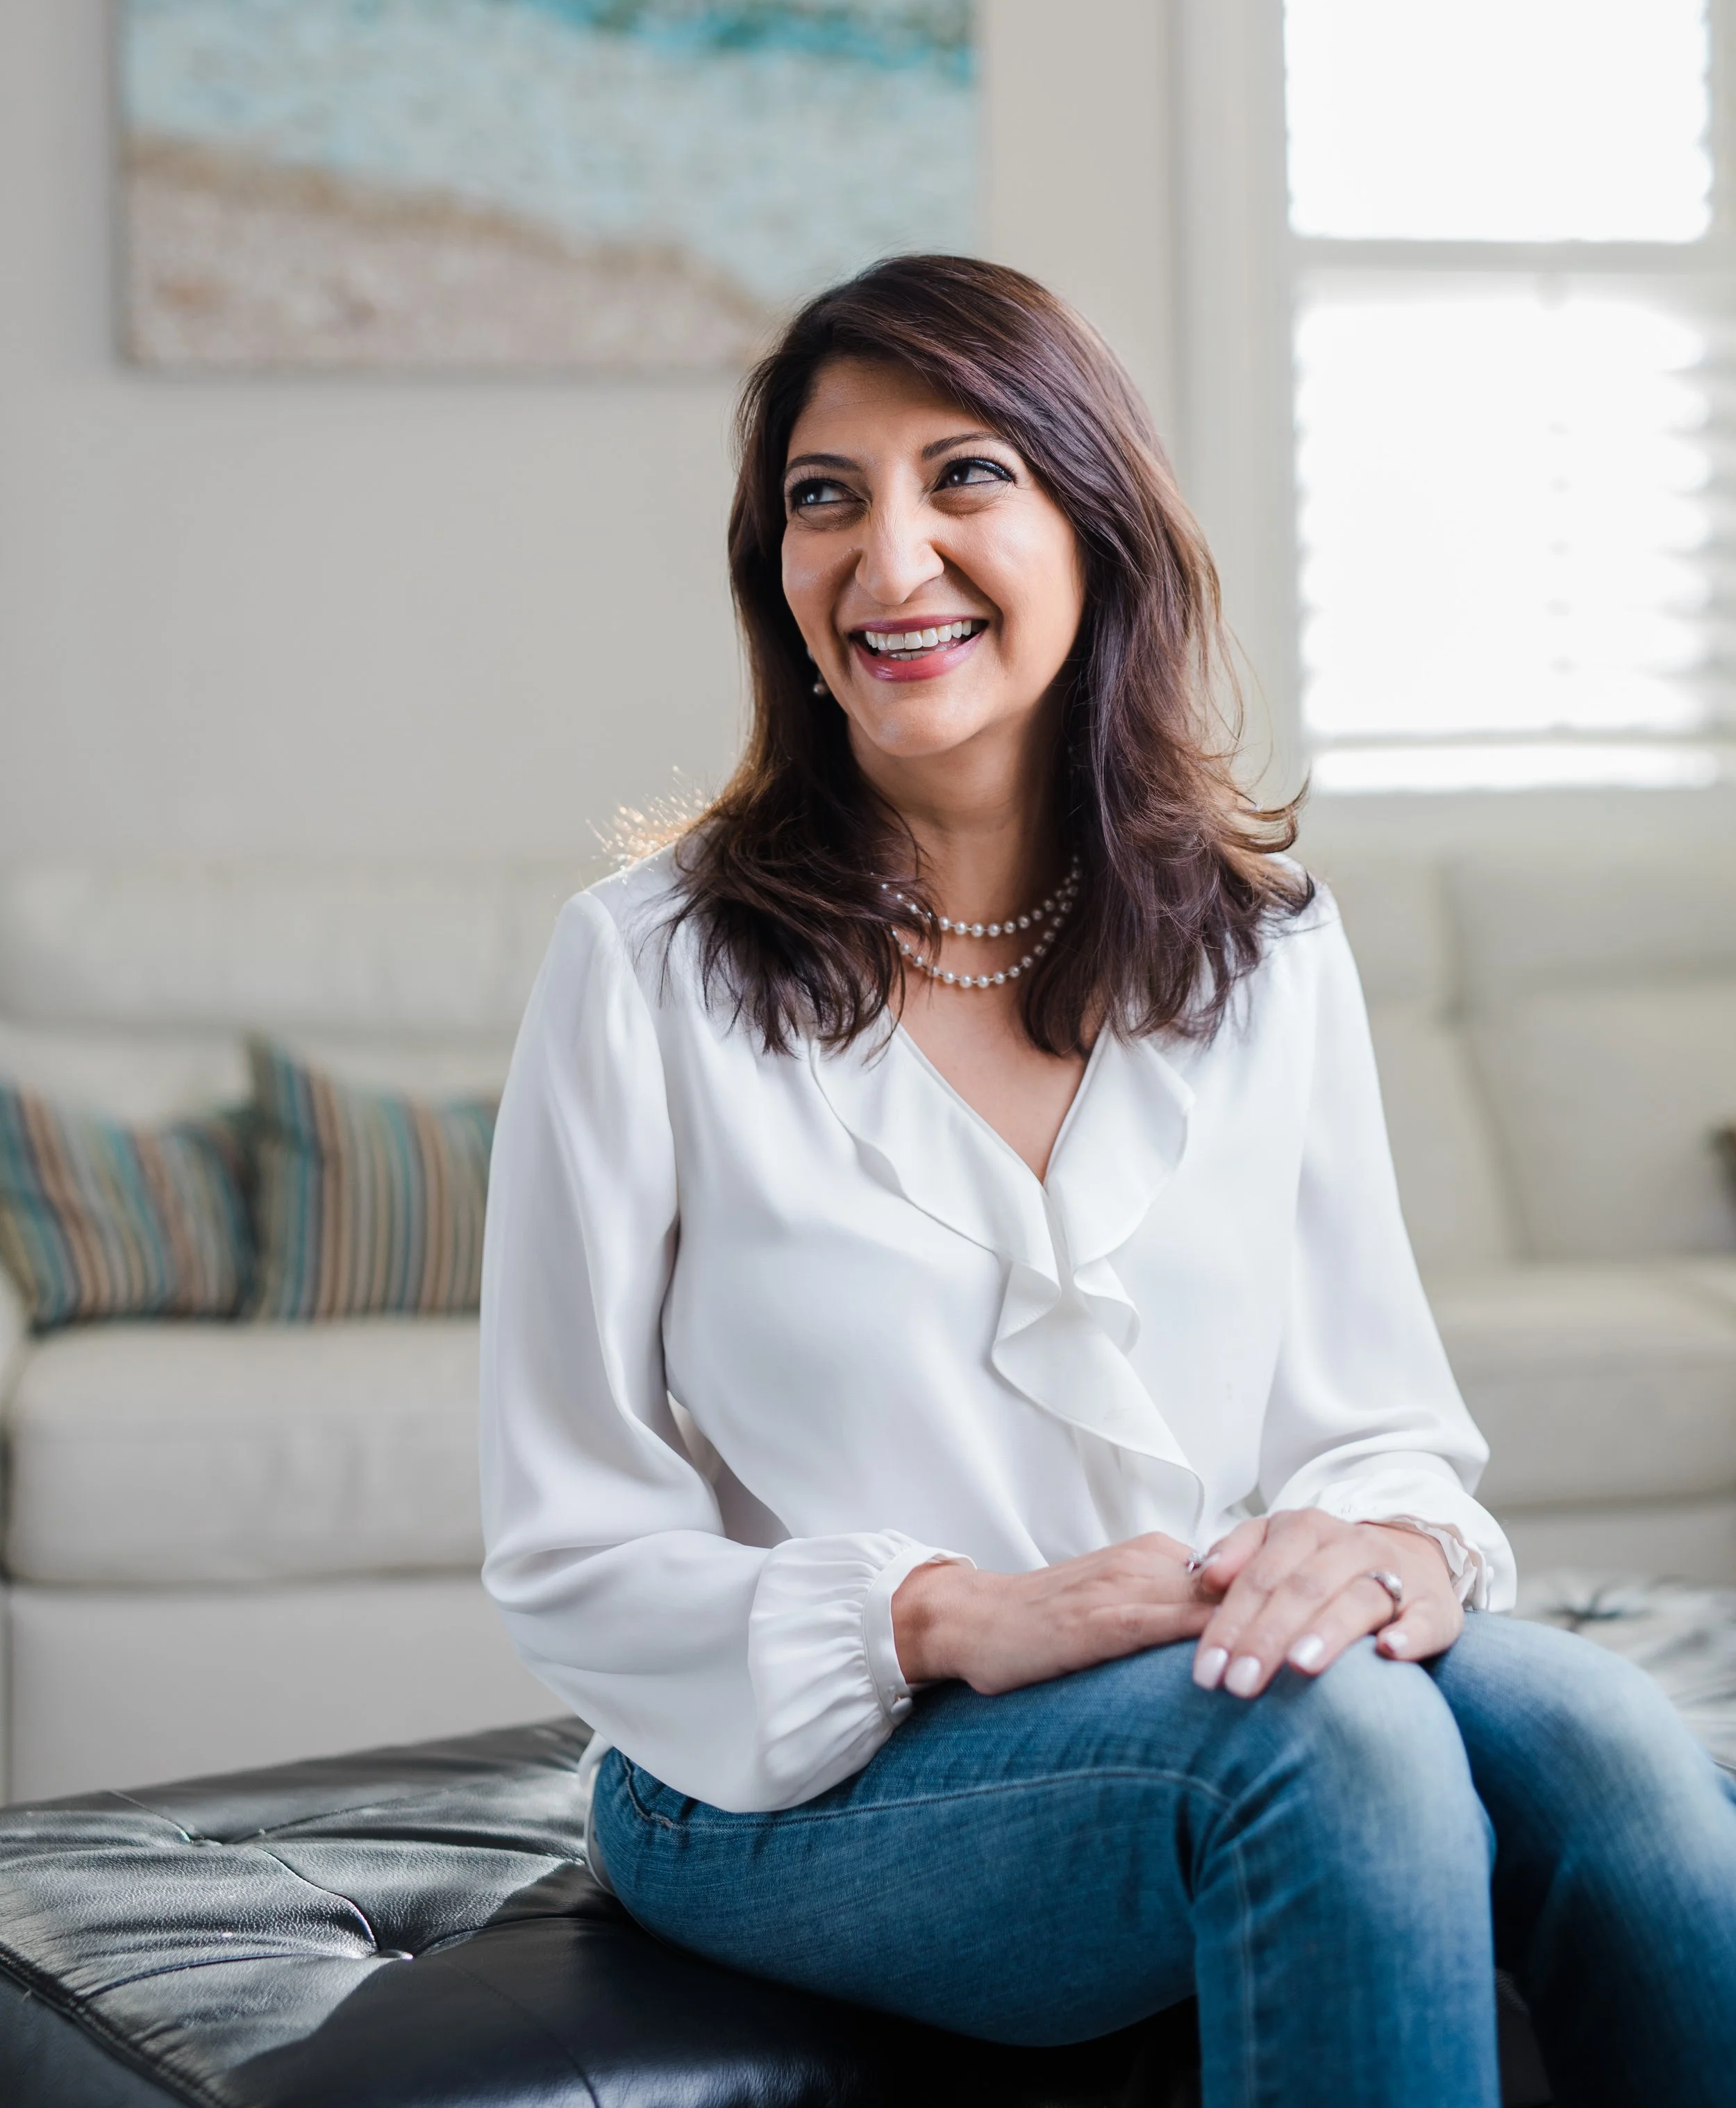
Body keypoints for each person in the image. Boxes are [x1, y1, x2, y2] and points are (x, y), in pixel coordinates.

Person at [480, 255, 1736, 2107]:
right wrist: (940, 1610)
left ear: (1095, 521)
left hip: (1192, 1682)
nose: (887, 559)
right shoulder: (646, 965)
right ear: (777, 580)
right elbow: (565, 1537)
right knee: (1332, 1749)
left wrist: (1374, 1542)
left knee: (1607, 1745)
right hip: (797, 1770)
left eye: (963, 474)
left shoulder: (1260, 947)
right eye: (824, 500)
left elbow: (1373, 1417)